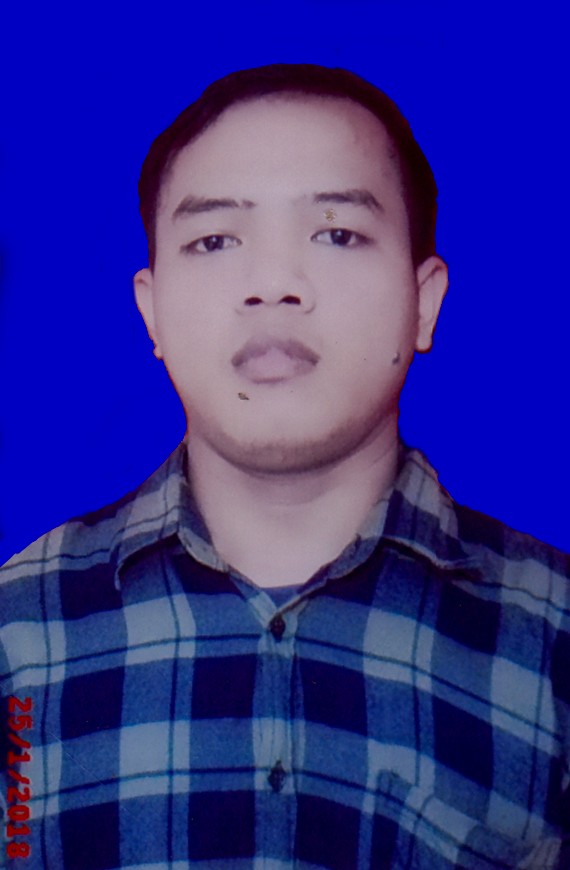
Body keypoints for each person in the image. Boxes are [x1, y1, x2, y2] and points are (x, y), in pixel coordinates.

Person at [0, 64, 568, 869]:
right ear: (151, 311)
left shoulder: (554, 634)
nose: (273, 285)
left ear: (426, 300)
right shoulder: (18, 630)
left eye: (337, 234)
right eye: (214, 240)